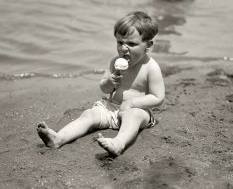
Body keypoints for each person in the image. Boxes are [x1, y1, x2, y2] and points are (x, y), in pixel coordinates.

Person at [37, 11, 165, 157]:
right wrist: (110, 81)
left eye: (131, 44)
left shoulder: (150, 67)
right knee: (89, 114)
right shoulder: (114, 61)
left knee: (133, 116)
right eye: (120, 42)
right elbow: (104, 88)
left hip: (137, 110)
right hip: (110, 108)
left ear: (148, 45)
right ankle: (59, 138)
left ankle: (118, 143)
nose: (124, 48)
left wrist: (132, 103)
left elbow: (158, 97)